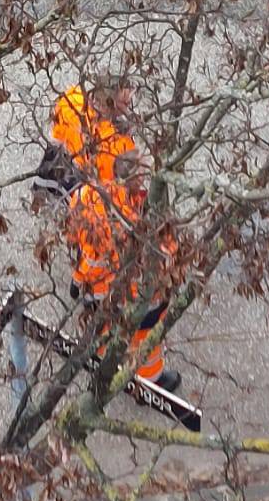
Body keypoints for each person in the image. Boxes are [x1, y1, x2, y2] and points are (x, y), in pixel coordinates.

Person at [66, 146, 181, 392]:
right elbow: (167, 255)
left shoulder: (86, 195)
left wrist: (77, 280)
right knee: (144, 341)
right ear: (135, 180)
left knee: (102, 328)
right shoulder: (138, 222)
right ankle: (149, 382)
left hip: (91, 288)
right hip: (131, 296)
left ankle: (100, 356)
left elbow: (74, 238)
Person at [34, 78, 136, 198]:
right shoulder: (119, 144)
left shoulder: (70, 99)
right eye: (126, 103)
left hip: (46, 175)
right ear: (109, 103)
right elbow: (112, 183)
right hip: (79, 195)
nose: (128, 107)